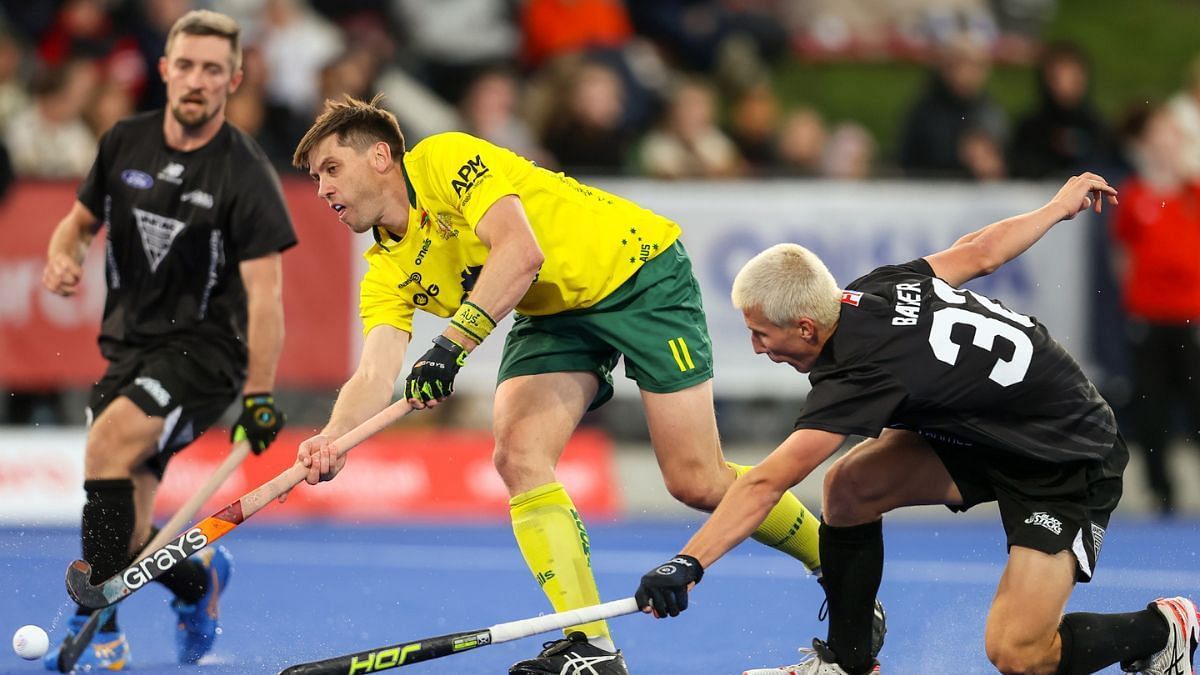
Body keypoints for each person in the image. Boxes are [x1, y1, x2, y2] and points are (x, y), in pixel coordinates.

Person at [289, 93, 841, 675]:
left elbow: (520, 253)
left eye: (332, 169)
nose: (323, 189)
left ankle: (835, 558)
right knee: (518, 454)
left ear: (380, 157)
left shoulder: (443, 159)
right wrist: (333, 438)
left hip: (637, 272)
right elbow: (376, 372)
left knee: (696, 479)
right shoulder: (383, 272)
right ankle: (590, 647)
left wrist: (450, 347)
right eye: (316, 177)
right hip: (554, 313)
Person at [634, 173, 1200, 675]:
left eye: (762, 334)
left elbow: (765, 483)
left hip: (1066, 457)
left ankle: (1163, 629)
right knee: (850, 487)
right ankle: (847, 663)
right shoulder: (872, 290)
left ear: (807, 328)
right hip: (988, 429)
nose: (757, 348)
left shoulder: (861, 373)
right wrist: (1055, 207)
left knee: (1018, 655)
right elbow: (977, 251)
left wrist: (689, 562)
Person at [39, 10, 296, 670]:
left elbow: (267, 296)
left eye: (214, 70)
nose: (197, 80)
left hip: (205, 354)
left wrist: (260, 395)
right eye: (186, 65)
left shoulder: (244, 171)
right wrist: (63, 257)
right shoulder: (124, 140)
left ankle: (98, 626)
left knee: (108, 440)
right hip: (128, 347)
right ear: (164, 69)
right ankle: (198, 578)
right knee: (129, 527)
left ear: (233, 79)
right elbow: (74, 224)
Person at [1112, 102, 1200, 516]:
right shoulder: (1134, 196)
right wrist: (1135, 303)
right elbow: (1123, 256)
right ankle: (1162, 490)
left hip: (1191, 314)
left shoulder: (1193, 193)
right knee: (1153, 405)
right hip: (1149, 314)